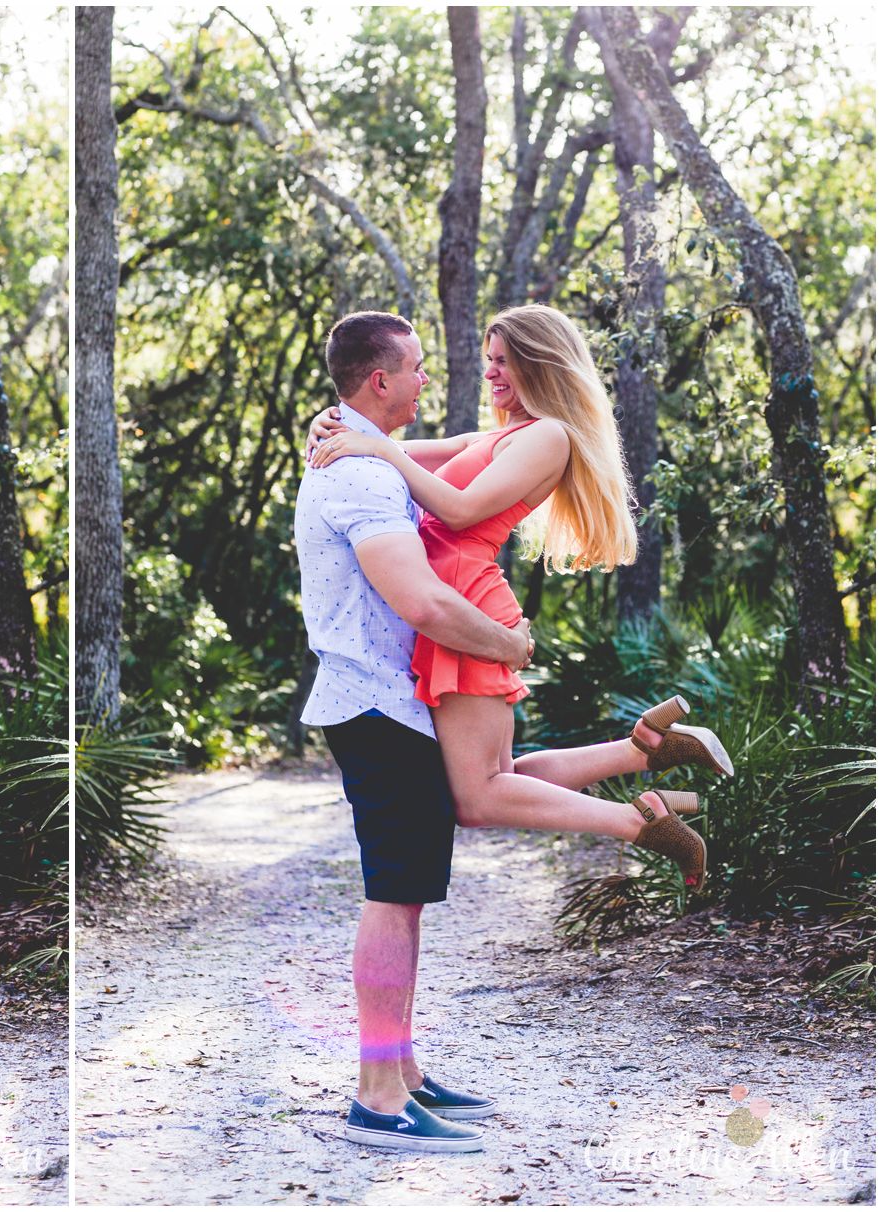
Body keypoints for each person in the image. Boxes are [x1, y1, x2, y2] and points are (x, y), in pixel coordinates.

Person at [307, 305, 728, 893]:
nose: (491, 374)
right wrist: (344, 432)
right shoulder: (508, 433)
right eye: (489, 361)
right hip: (456, 599)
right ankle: (646, 749)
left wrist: (381, 452)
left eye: (503, 361)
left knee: (477, 796)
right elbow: (418, 449)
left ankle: (639, 820)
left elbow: (458, 509)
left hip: (467, 601)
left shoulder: (550, 436)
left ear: (539, 362)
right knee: (493, 779)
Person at [294, 310, 534, 1152]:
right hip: (375, 703)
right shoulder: (357, 474)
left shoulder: (365, 451)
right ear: (380, 380)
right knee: (392, 899)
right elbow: (421, 601)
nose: (430, 380)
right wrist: (510, 644)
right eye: (419, 368)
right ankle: (374, 1099)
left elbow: (464, 450)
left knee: (408, 900)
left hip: (392, 703)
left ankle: (402, 1073)